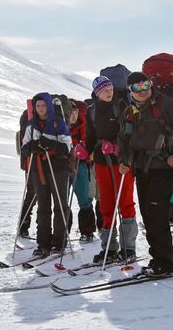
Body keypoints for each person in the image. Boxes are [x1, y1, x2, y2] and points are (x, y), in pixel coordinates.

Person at [118, 72, 173, 276]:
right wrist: (124, 160)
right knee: (147, 215)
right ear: (130, 91)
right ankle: (157, 260)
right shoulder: (130, 112)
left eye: (145, 85)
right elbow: (124, 139)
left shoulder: (165, 104)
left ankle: (165, 263)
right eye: (137, 88)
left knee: (156, 215)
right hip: (141, 169)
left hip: (163, 167)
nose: (143, 91)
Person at [86, 76, 137, 263]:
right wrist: (85, 149)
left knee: (125, 202)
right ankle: (109, 248)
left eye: (110, 89)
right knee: (106, 205)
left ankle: (129, 247)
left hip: (122, 160)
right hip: (101, 161)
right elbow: (90, 136)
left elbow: (131, 134)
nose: (109, 92)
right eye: (104, 90)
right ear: (97, 92)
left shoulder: (122, 106)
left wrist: (117, 148)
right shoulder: (91, 111)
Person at [21, 92, 72, 258]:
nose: (41, 108)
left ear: (49, 106)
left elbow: (67, 146)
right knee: (43, 206)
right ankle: (43, 243)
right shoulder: (31, 125)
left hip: (58, 168)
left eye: (43, 105)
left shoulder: (58, 123)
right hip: (39, 169)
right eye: (38, 106)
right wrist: (33, 146)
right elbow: (24, 147)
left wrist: (51, 145)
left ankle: (59, 242)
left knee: (59, 205)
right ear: (34, 108)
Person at [69, 101, 96, 243]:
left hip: (81, 165)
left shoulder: (84, 127)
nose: (73, 116)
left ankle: (87, 231)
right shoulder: (59, 127)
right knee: (62, 201)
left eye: (75, 112)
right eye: (71, 113)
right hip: (63, 166)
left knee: (85, 199)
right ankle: (63, 233)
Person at [17, 108, 37, 238]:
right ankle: (24, 226)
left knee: (31, 195)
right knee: (33, 195)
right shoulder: (29, 121)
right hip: (33, 163)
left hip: (30, 163)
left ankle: (23, 226)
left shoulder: (26, 118)